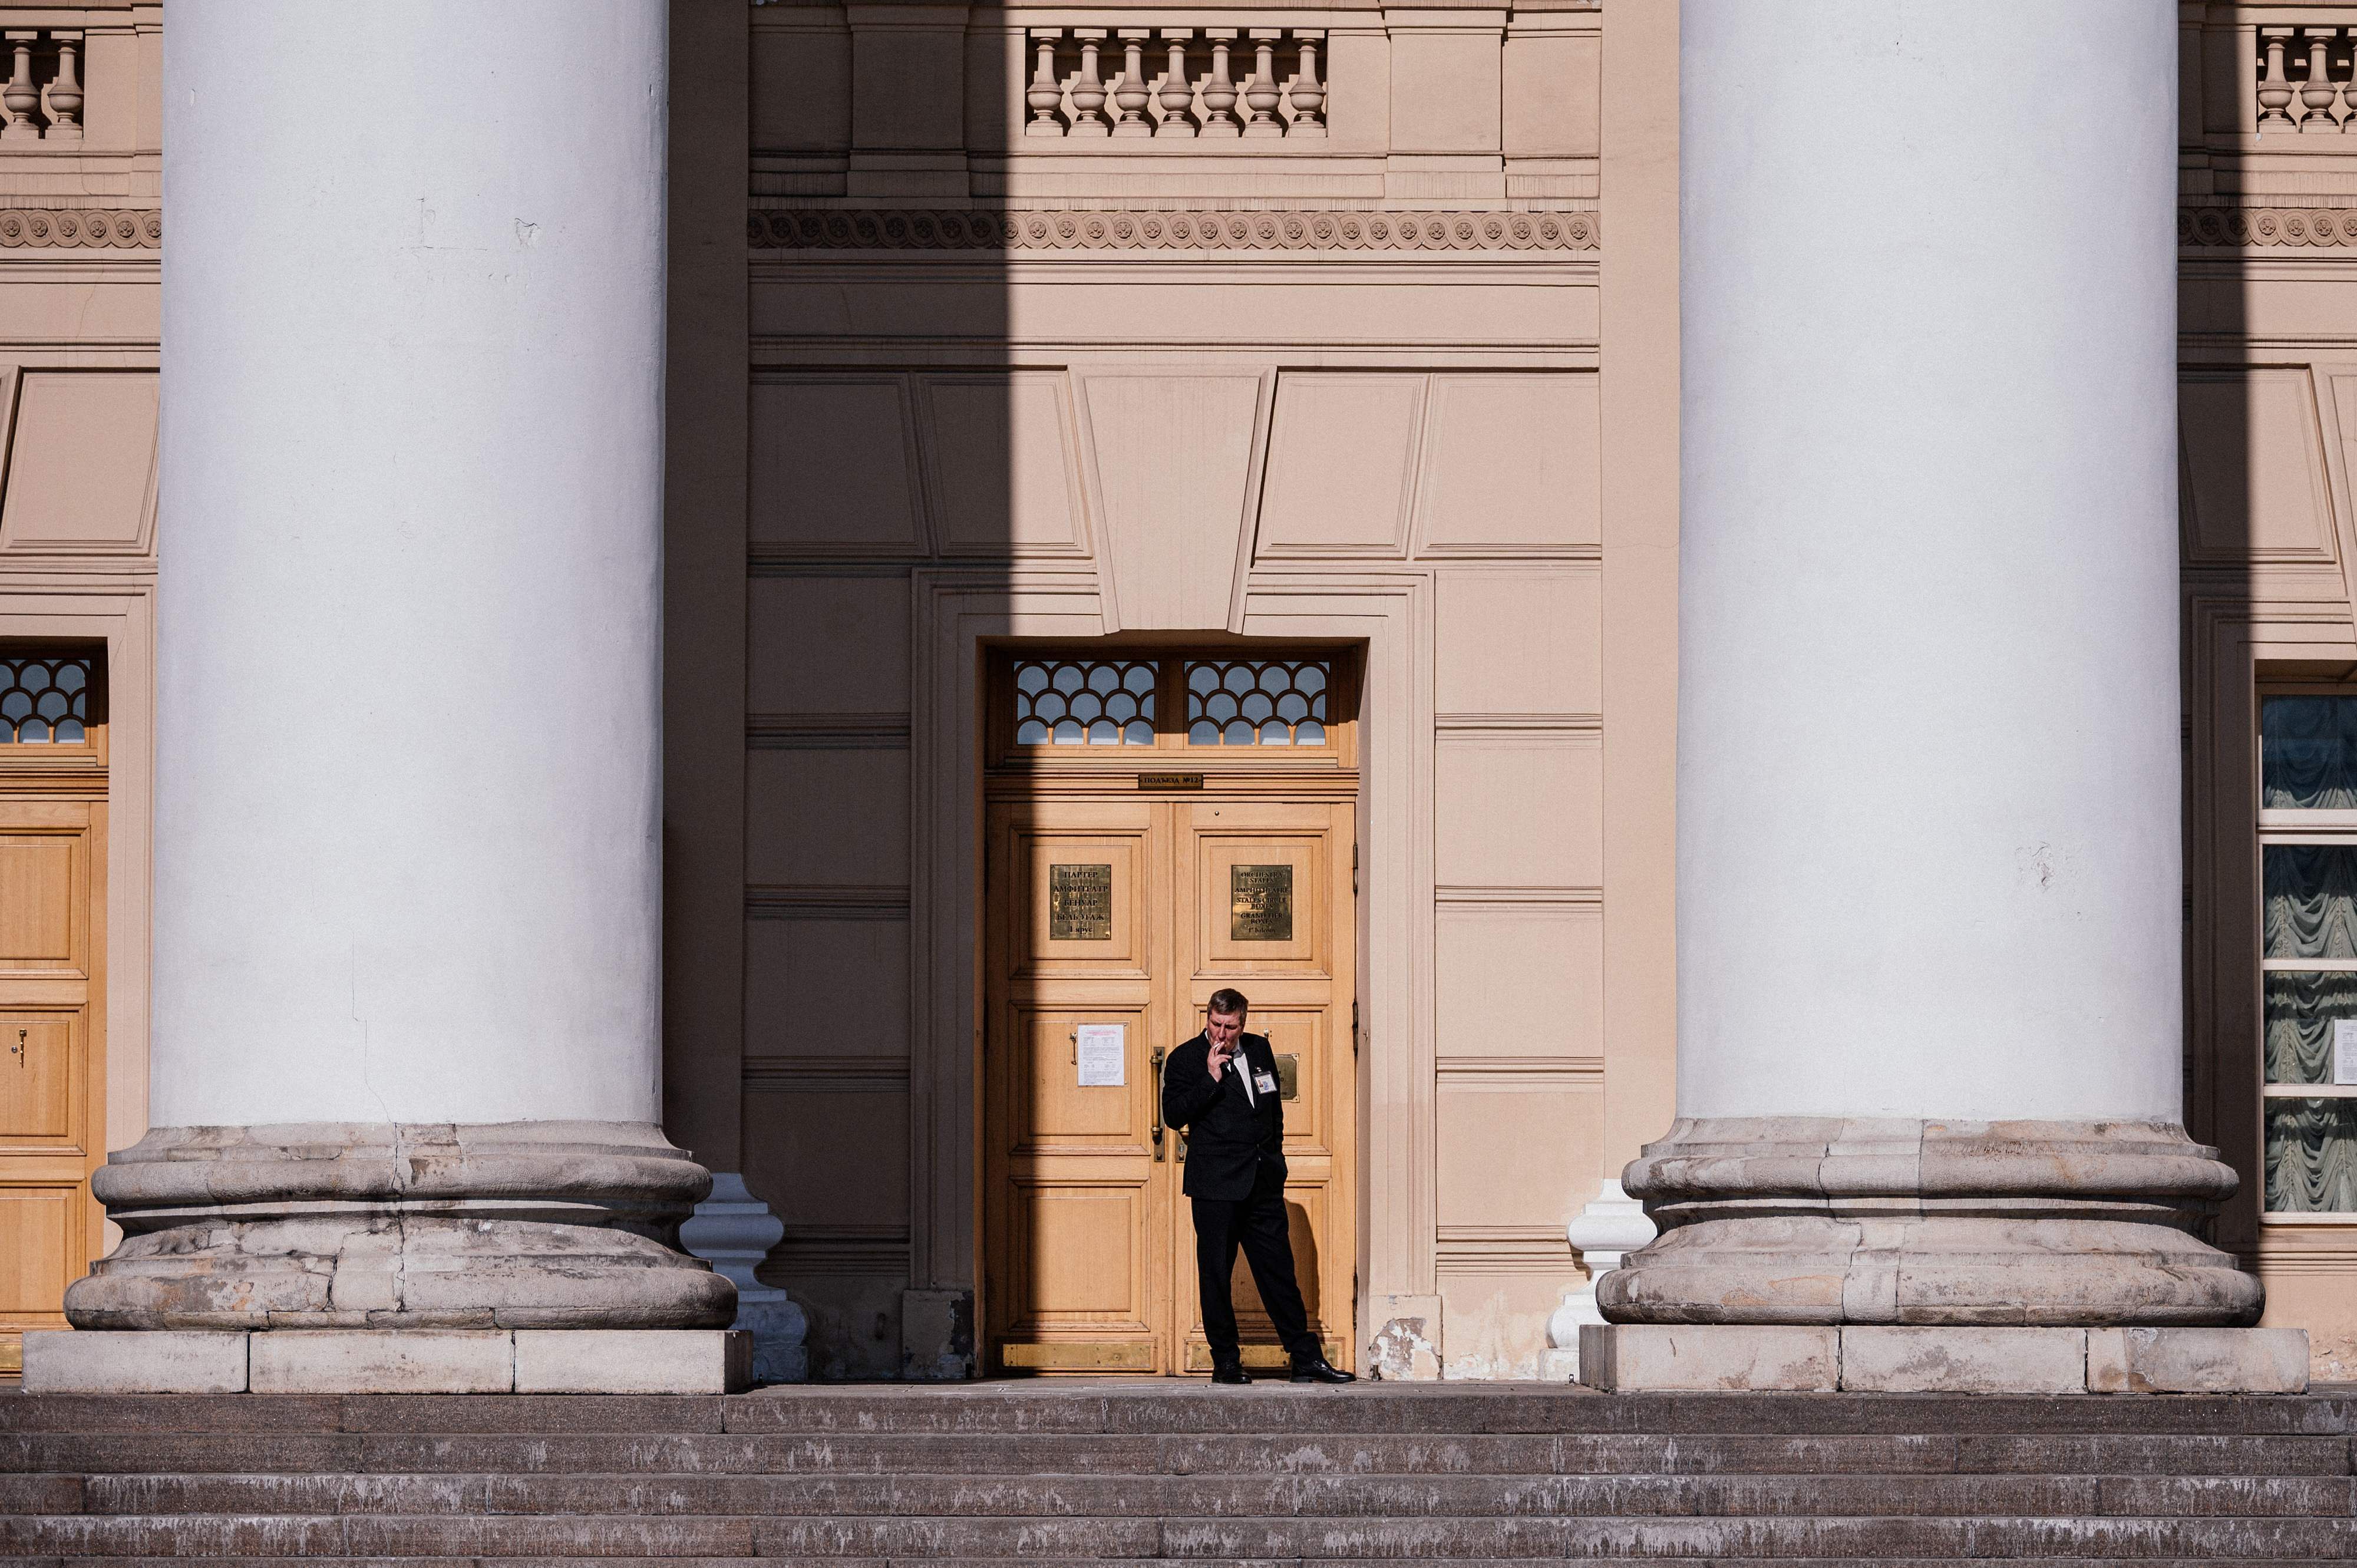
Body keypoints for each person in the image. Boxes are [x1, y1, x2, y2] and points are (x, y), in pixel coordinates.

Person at [1159, 988, 1354, 1385]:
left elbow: (1273, 1110)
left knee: (1279, 1271)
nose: (1222, 1034)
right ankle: (1226, 1362)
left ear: (1243, 1023)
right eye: (1216, 1024)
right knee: (1216, 1274)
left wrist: (1276, 1160)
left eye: (1230, 1027)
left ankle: (1305, 1357)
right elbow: (1173, 1113)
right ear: (1208, 1018)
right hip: (1215, 1186)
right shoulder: (1186, 1059)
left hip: (1261, 1182)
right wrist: (1211, 1078)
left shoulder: (1260, 1051)